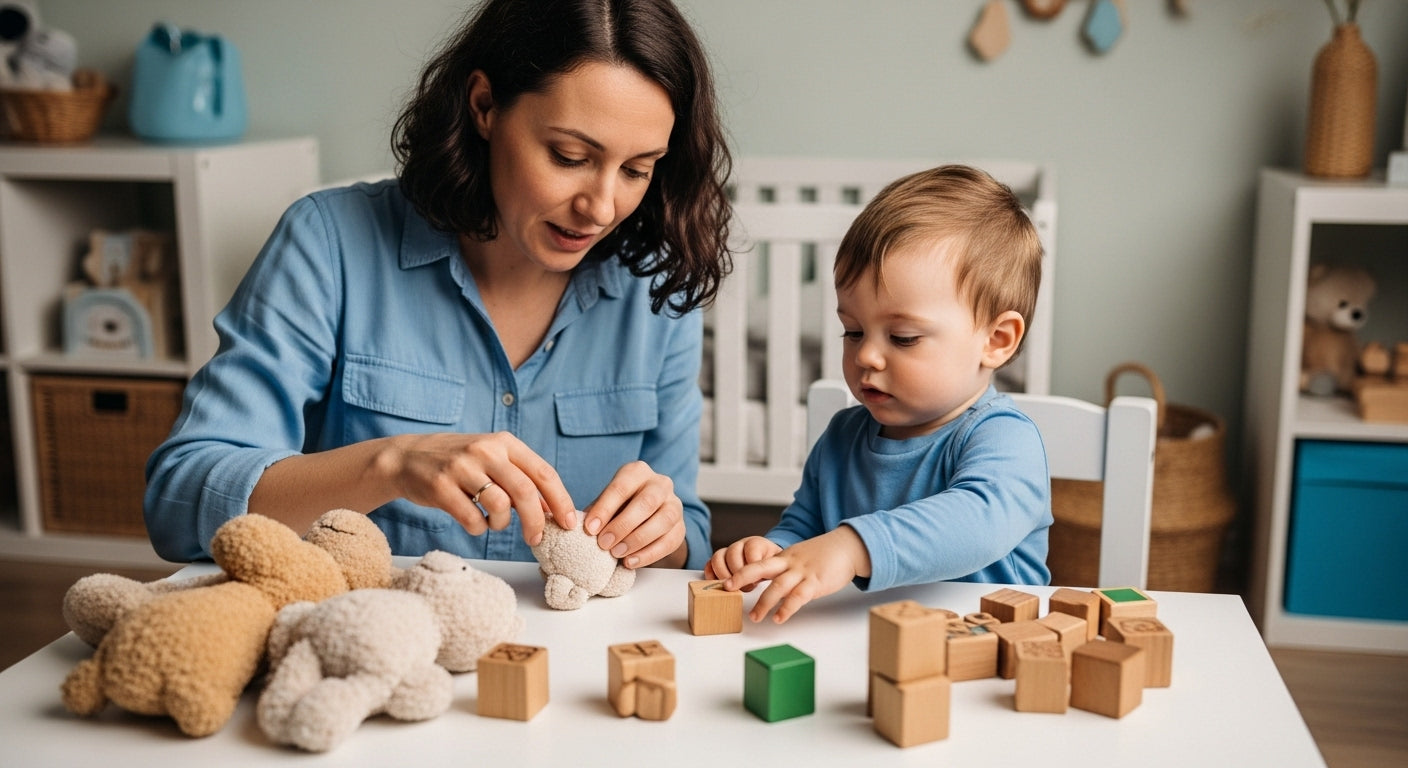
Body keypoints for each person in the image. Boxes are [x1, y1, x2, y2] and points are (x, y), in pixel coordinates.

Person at [144, 0, 732, 572]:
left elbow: (688, 542)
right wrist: (389, 464)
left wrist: (667, 534)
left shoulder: (656, 289)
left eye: (637, 169)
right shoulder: (330, 242)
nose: (601, 207)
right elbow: (179, 500)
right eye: (569, 155)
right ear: (484, 105)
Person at [705, 165, 1050, 622]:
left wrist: (853, 547)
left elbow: (979, 522)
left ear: (996, 340)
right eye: (853, 331)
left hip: (987, 651)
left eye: (903, 337)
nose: (867, 355)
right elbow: (806, 528)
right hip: (859, 644)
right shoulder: (843, 436)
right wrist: (773, 554)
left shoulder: (1004, 438)